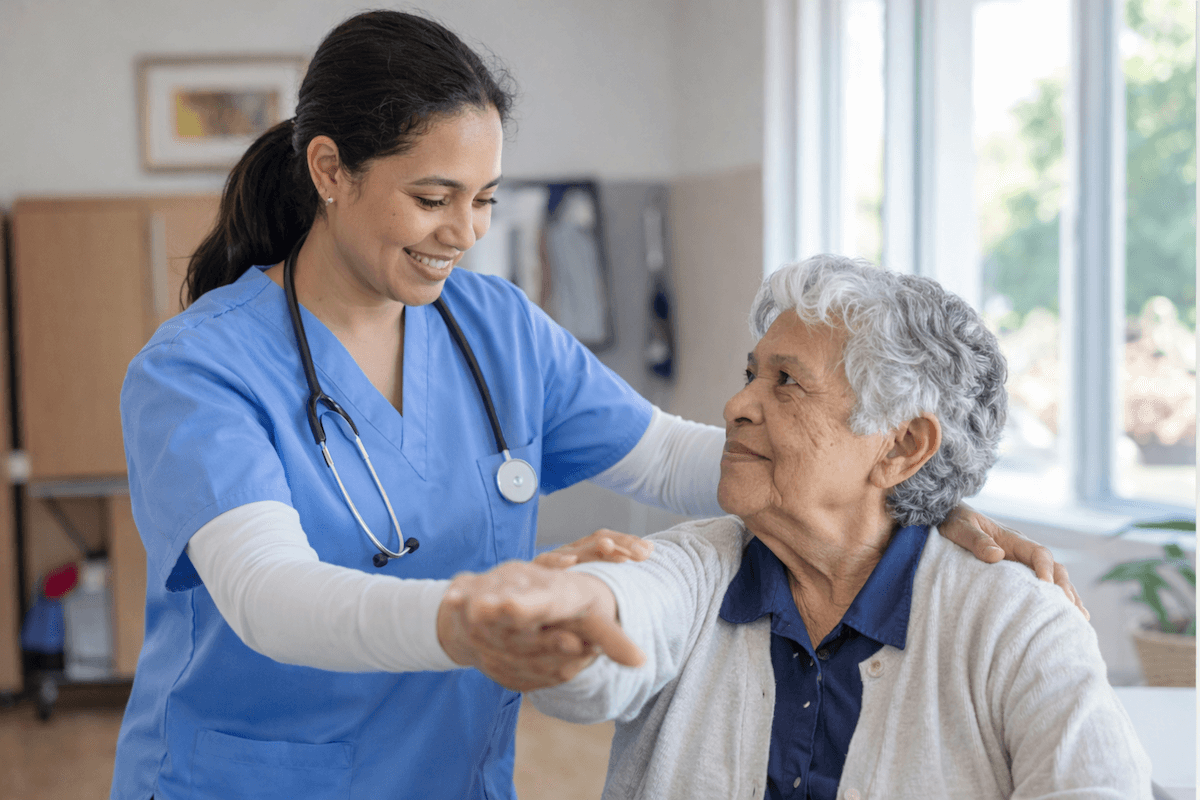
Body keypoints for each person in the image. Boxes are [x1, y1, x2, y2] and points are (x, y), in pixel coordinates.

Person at [111, 10, 1080, 800]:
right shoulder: (201, 368)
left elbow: (661, 454)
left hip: (454, 775)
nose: (465, 233)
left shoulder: (488, 323)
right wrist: (469, 617)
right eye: (434, 196)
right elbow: (272, 598)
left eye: (486, 198)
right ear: (330, 170)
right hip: (254, 779)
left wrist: (902, 495)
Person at [439, 256, 1150, 799]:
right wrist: (561, 619)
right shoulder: (696, 566)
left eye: (785, 381)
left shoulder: (1017, 622)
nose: (735, 404)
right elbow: (612, 631)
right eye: (751, 374)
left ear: (901, 447)